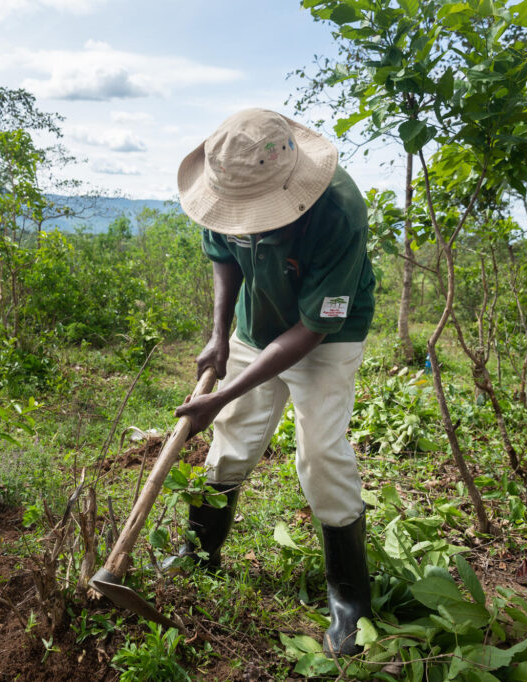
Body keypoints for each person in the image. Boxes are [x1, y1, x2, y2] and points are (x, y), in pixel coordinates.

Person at [167, 108, 377, 657]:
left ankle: (350, 598)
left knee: (321, 452)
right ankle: (199, 553)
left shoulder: (338, 211)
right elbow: (225, 256)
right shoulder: (227, 183)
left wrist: (221, 394)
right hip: (255, 326)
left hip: (325, 336)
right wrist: (219, 335)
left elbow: (313, 327)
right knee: (232, 437)